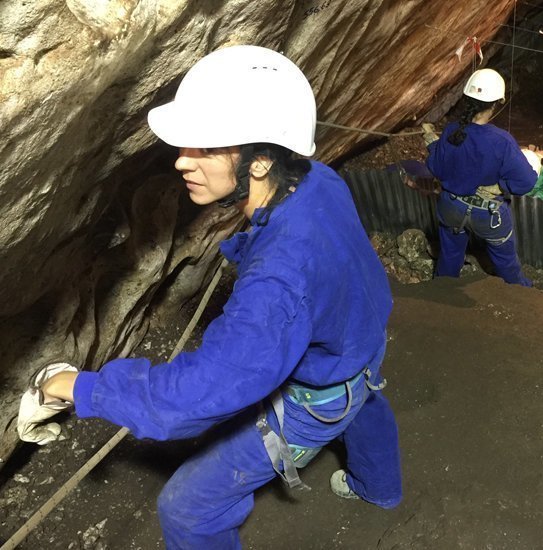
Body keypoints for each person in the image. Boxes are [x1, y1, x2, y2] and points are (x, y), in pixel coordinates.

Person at [17, 45, 402, 549]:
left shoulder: (278, 283)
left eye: (204, 148)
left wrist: (77, 387)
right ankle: (381, 489)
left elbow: (189, 400)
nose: (182, 161)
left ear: (260, 162)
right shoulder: (316, 181)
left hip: (318, 395)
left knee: (188, 510)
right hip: (362, 347)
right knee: (365, 402)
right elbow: (314, 259)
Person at [426, 68, 537, 286]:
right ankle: (522, 296)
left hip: (451, 208)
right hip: (488, 214)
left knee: (449, 256)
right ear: (496, 103)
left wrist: (432, 145)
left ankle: (441, 294)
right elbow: (526, 182)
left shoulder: (451, 130)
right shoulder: (501, 141)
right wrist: (500, 185)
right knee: (506, 262)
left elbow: (436, 167)